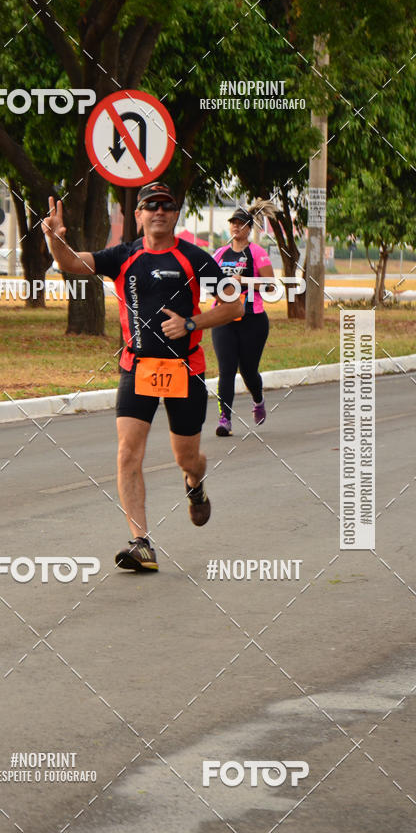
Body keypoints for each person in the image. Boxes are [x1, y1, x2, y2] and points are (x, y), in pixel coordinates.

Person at [42, 181, 243, 573]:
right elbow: (71, 264)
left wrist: (191, 322)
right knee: (127, 452)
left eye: (166, 205)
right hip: (137, 367)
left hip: (185, 368)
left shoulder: (196, 259)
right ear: (138, 215)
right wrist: (54, 240)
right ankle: (141, 543)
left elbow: (234, 307)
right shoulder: (123, 256)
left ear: (176, 214)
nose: (159, 211)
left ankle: (195, 484)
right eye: (151, 206)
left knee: (187, 458)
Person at [211, 206, 275, 436]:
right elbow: (208, 280)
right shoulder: (220, 254)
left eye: (241, 223)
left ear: (249, 228)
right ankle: (225, 419)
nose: (236, 226)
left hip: (252, 319)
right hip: (223, 317)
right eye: (233, 223)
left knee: (248, 370)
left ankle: (258, 400)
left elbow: (271, 285)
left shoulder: (257, 252)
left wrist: (244, 281)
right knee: (226, 370)